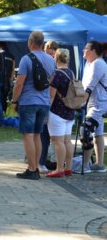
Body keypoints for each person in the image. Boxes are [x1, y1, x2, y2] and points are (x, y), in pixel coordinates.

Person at [11, 31, 56, 180]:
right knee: (37, 135)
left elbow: (19, 83)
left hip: (28, 102)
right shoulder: (51, 60)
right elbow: (50, 83)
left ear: (30, 42)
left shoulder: (26, 59)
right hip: (44, 103)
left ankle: (32, 169)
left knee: (28, 136)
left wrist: (14, 100)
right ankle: (36, 166)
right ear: (42, 43)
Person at [76, 41, 107, 173]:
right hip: (94, 103)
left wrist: (79, 104)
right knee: (98, 133)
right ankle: (99, 164)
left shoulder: (98, 64)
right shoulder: (90, 64)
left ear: (93, 51)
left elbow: (89, 87)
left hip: (99, 104)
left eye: (86, 49)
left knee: (86, 130)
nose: (83, 50)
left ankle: (85, 165)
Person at [45, 49, 75, 177]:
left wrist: (46, 112)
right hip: (70, 111)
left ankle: (59, 169)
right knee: (67, 141)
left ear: (55, 58)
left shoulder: (56, 74)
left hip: (57, 112)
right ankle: (68, 168)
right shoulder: (71, 73)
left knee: (58, 142)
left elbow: (51, 96)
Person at [39, 40, 59, 173]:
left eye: (51, 54)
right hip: (43, 101)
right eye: (47, 53)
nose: (49, 56)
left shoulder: (56, 68)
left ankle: (42, 161)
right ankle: (40, 161)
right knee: (41, 134)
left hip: (51, 104)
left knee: (46, 135)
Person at [0, 41, 15, 126]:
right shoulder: (12, 56)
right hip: (6, 82)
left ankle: (0, 121)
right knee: (2, 100)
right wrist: (10, 81)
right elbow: (12, 72)